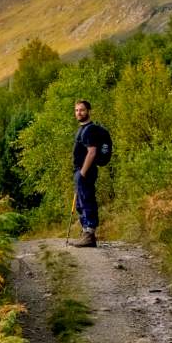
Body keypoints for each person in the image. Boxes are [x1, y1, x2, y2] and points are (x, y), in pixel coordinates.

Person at [71, 99, 111, 247]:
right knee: (81, 203)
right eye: (76, 110)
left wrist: (82, 173)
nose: (79, 113)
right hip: (81, 172)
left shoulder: (89, 130)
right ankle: (85, 233)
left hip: (85, 172)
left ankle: (89, 234)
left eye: (81, 110)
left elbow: (92, 152)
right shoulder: (83, 129)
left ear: (88, 111)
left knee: (87, 200)